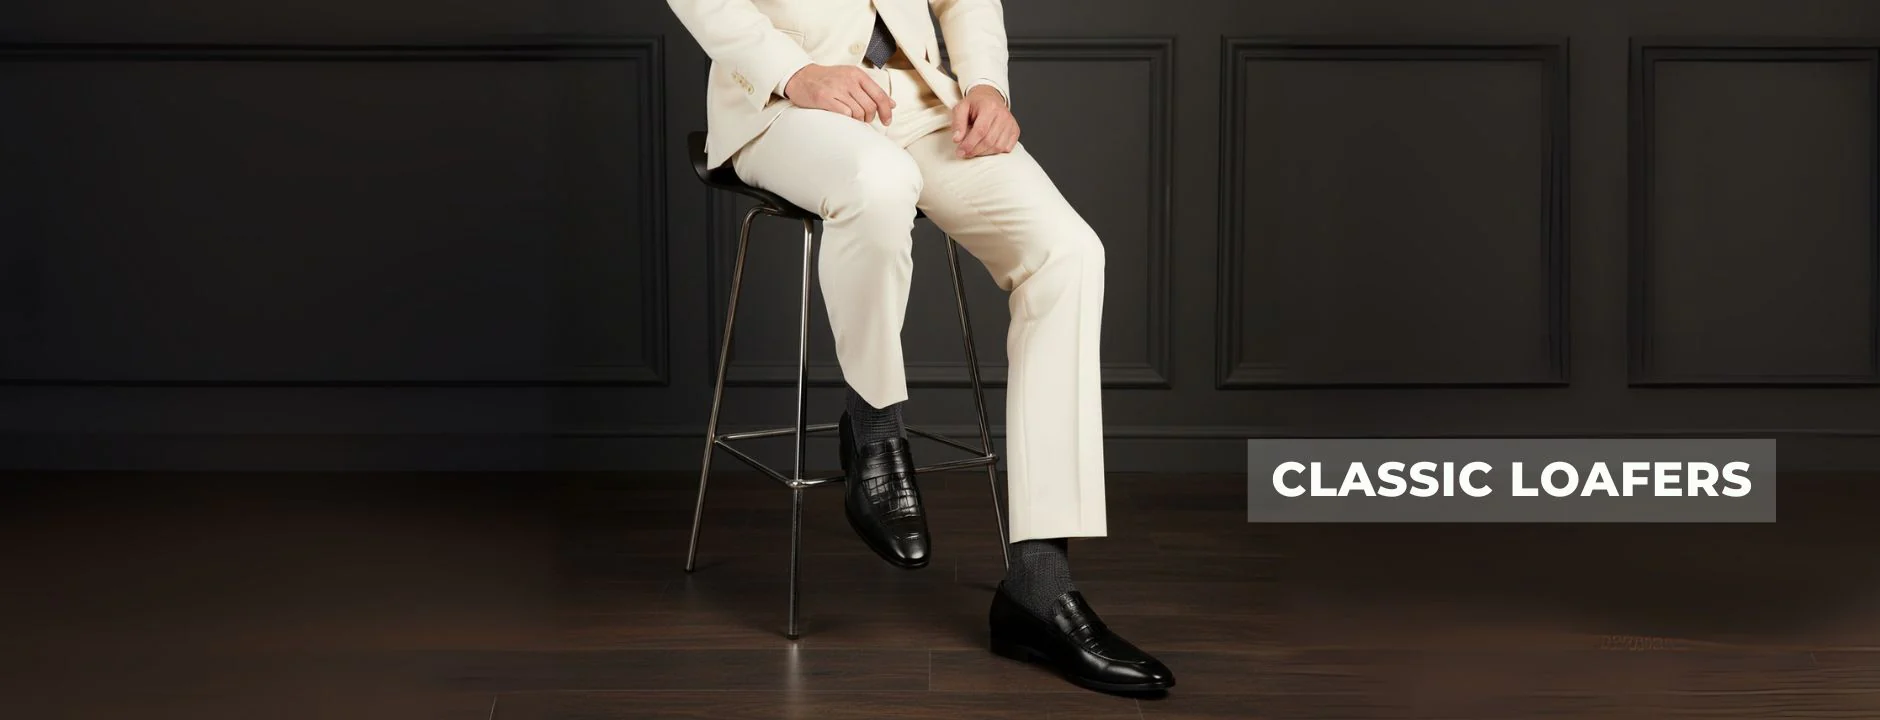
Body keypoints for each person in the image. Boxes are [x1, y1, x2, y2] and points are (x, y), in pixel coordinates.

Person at [667, 0, 1174, 693]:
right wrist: (794, 72)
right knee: (879, 184)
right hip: (782, 103)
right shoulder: (789, 86)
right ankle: (873, 428)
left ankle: (1038, 584)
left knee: (1068, 252)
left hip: (920, 98)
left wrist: (986, 84)